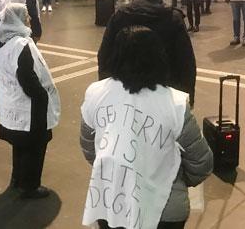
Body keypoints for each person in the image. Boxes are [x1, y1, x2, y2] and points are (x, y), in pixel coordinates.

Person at [81, 25, 212, 229]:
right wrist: (174, 179)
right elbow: (201, 161)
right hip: (165, 211)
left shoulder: (95, 93)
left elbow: (89, 147)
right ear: (158, 57)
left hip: (111, 203)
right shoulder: (175, 103)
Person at [97, 0, 196, 106]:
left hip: (126, 90)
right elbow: (185, 60)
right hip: (163, 93)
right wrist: (187, 98)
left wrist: (106, 89)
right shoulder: (173, 18)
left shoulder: (122, 15)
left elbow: (105, 54)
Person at [0, 3, 60, 199]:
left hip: (10, 103)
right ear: (17, 19)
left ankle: (17, 178)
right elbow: (27, 78)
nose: (30, 19)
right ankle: (30, 186)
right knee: (34, 147)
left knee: (19, 144)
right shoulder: (21, 44)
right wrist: (41, 96)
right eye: (26, 16)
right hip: (27, 107)